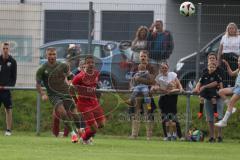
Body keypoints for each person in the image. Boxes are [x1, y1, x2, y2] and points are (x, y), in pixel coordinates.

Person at [36, 47, 81, 143]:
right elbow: (38, 84)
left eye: (54, 54)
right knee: (62, 112)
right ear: (46, 55)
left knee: (75, 114)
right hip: (53, 95)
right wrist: (43, 93)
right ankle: (73, 134)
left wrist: (75, 81)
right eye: (50, 55)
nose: (52, 56)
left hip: (65, 92)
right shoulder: (42, 69)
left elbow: (70, 76)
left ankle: (80, 131)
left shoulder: (62, 66)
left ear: (56, 55)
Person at [71, 55, 106, 144]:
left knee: (102, 124)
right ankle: (84, 139)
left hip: (94, 102)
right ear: (85, 65)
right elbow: (71, 89)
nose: (91, 64)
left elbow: (96, 87)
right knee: (94, 128)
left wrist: (98, 97)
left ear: (94, 64)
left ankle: (84, 131)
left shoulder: (96, 73)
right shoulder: (79, 77)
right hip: (84, 104)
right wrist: (76, 101)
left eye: (92, 62)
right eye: (88, 63)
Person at [195, 53, 225, 142]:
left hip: (217, 96)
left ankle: (219, 136)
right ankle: (212, 137)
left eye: (213, 58)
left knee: (219, 116)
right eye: (210, 58)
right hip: (207, 96)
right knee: (209, 118)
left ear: (216, 60)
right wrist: (197, 88)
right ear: (208, 60)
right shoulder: (205, 70)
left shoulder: (220, 70)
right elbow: (200, 81)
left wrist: (205, 87)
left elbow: (218, 82)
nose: (212, 59)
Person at [128, 50, 157, 140]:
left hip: (147, 93)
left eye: (144, 56)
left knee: (148, 113)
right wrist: (132, 87)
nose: (143, 58)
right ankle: (134, 135)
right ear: (139, 57)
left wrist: (140, 79)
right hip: (137, 95)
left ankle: (149, 136)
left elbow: (152, 81)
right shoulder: (135, 67)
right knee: (136, 114)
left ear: (147, 57)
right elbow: (132, 80)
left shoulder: (151, 68)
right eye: (141, 56)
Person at [151, 61, 183, 141]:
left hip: (172, 98)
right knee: (165, 119)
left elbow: (178, 84)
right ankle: (167, 136)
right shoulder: (158, 77)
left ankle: (179, 136)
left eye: (165, 68)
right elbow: (155, 87)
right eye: (162, 68)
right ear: (160, 69)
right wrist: (157, 89)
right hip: (163, 99)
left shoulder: (172, 74)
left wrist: (181, 89)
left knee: (174, 119)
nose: (164, 69)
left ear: (168, 68)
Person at [215, 56, 240, 128]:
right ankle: (232, 109)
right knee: (220, 92)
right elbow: (231, 74)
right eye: (238, 61)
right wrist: (227, 65)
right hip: (236, 87)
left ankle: (224, 122)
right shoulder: (238, 70)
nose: (238, 62)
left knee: (231, 103)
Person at [0, 42, 17, 136]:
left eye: (7, 48)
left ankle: (8, 130)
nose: (5, 50)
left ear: (9, 49)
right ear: (1, 49)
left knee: (8, 110)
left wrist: (8, 86)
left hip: (6, 91)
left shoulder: (13, 61)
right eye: (4, 48)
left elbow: (14, 78)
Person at [218, 22, 240, 87]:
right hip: (224, 58)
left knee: (233, 74)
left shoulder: (239, 37)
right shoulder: (224, 37)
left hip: (235, 58)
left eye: (233, 28)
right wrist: (218, 61)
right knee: (224, 74)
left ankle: (234, 88)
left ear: (236, 29)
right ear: (227, 29)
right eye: (230, 28)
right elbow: (220, 50)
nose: (231, 30)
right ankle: (225, 87)